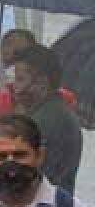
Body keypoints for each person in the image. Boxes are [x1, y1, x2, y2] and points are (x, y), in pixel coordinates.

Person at [11, 44, 83, 193]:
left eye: (20, 79)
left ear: (42, 83)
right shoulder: (54, 111)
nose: (14, 87)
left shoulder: (45, 121)